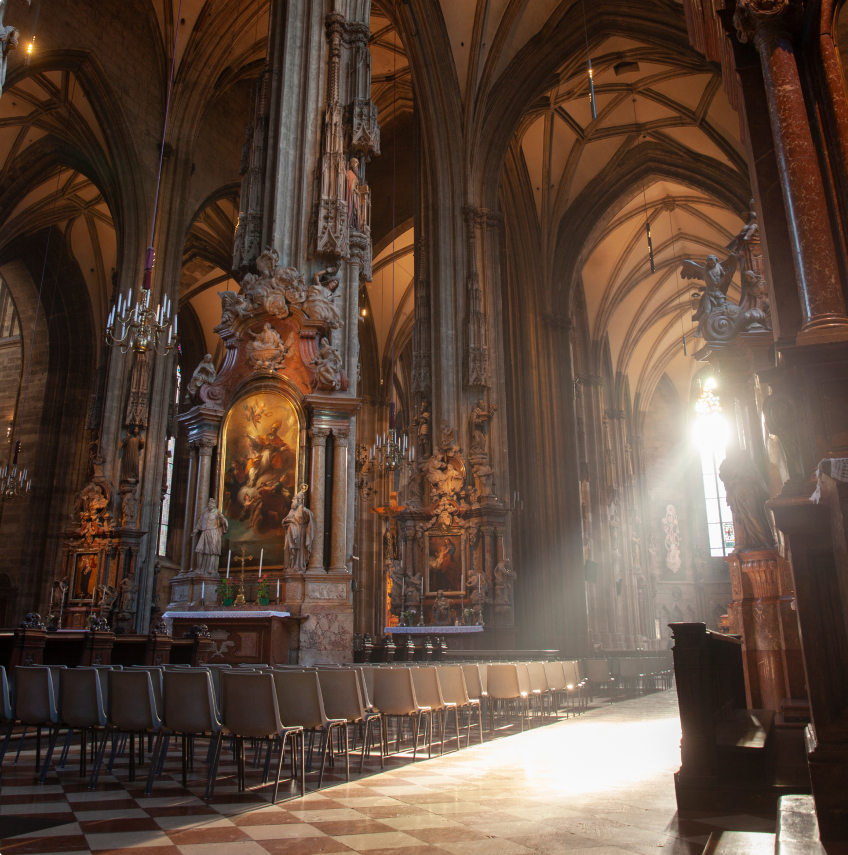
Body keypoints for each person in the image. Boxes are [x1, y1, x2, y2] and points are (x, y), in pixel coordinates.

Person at [192, 499, 228, 576]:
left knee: (212, 551)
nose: (210, 506)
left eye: (211, 505)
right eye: (209, 504)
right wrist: (196, 530)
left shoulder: (217, 512)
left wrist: (222, 518)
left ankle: (211, 569)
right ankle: (200, 568)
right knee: (199, 550)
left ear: (214, 505)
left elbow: (223, 522)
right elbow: (200, 521)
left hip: (213, 532)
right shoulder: (205, 511)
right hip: (205, 532)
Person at [283, 484, 314, 572]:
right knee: (287, 548)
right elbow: (286, 520)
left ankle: (298, 566)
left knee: (299, 550)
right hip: (291, 534)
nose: (292, 501)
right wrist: (286, 522)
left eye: (294, 499)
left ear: (299, 500)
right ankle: (290, 566)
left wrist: (305, 511)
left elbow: (310, 518)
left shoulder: (303, 510)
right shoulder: (291, 510)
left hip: (300, 533)